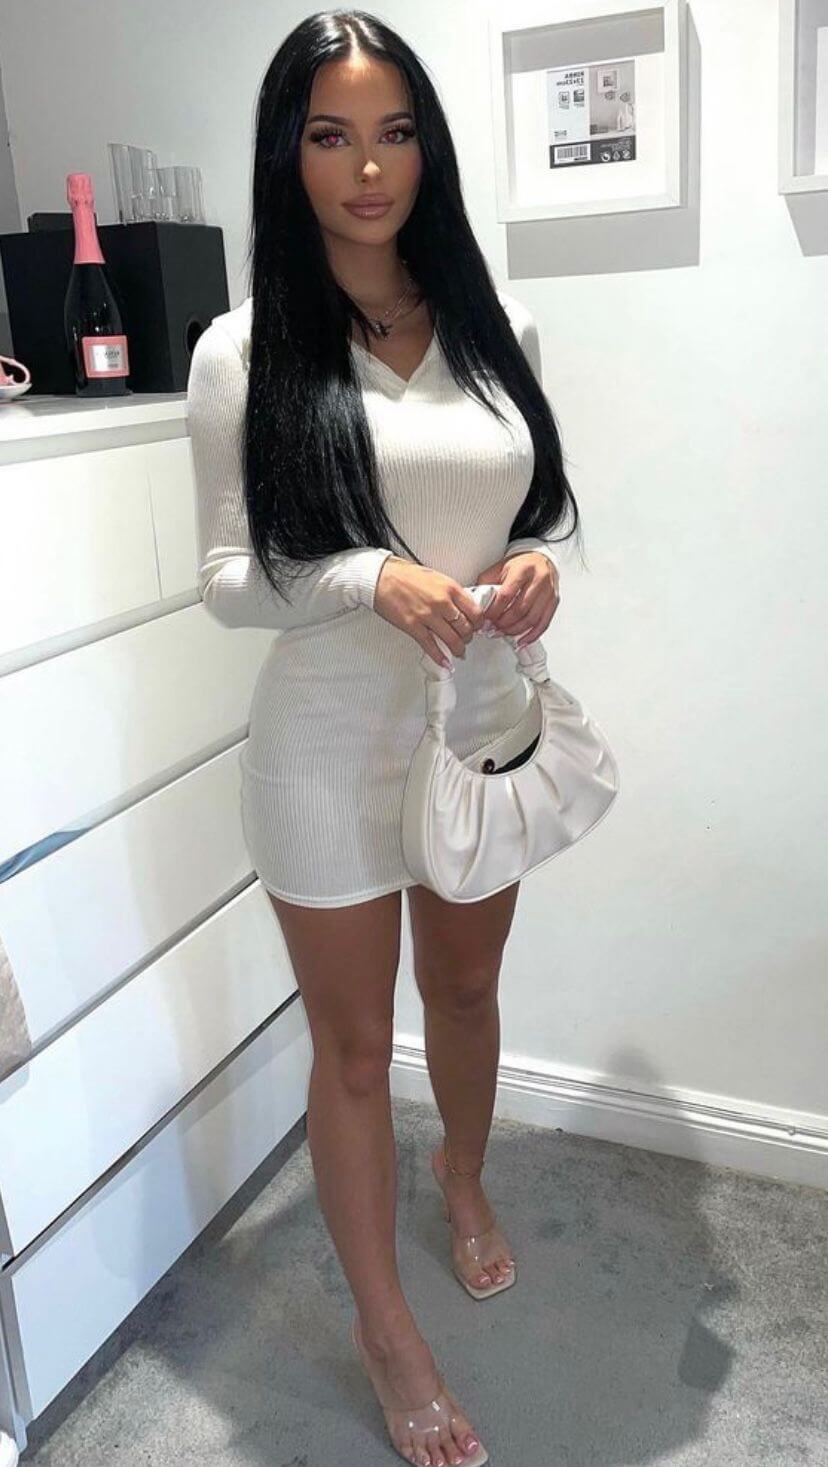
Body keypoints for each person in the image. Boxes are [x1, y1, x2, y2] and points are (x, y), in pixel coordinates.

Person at [187, 11, 581, 1465]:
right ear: (286, 155)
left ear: (430, 148)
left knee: (465, 993)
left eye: (396, 132)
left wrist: (533, 565)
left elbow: (530, 511)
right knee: (355, 1050)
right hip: (324, 747)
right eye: (332, 135)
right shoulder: (242, 350)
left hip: (479, 720)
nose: (368, 168)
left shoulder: (497, 326)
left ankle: (462, 1179)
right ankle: (386, 1329)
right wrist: (366, 576)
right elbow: (226, 578)